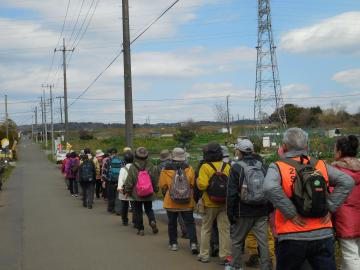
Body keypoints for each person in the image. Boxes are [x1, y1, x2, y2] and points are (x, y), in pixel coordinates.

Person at [263, 127, 354, 270]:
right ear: (306, 145)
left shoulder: (278, 167)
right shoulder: (321, 165)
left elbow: (269, 187)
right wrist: (330, 208)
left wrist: (291, 213)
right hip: (323, 234)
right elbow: (347, 181)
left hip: (291, 234)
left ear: (284, 146)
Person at [227, 139, 272, 270]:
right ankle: (266, 267)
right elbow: (269, 189)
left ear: (239, 151)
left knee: (237, 241)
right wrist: (269, 209)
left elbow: (231, 194)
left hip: (243, 212)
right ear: (252, 150)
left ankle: (235, 266)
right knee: (263, 242)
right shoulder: (263, 166)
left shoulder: (236, 167)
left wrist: (231, 214)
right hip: (262, 211)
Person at [197, 142, 231, 264]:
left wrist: (197, 181)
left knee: (206, 229)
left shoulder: (205, 167)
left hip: (209, 203)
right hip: (224, 203)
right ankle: (225, 257)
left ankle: (204, 255)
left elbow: (202, 185)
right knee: (224, 230)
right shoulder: (227, 166)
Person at [159, 147, 199, 254]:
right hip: (187, 201)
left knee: (172, 223)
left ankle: (173, 244)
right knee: (190, 223)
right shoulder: (189, 168)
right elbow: (192, 184)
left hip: (171, 201)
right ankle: (193, 243)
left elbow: (162, 185)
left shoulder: (166, 168)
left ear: (173, 156)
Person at [332, 135, 360, 270]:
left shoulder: (336, 172)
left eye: (334, 148)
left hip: (346, 220)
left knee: (350, 256)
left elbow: (330, 195)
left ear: (339, 152)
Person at [124, 147, 159, 236]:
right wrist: (156, 189)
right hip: (149, 192)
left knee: (138, 211)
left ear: (136, 155)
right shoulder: (151, 166)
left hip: (137, 193)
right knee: (149, 209)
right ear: (146, 156)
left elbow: (129, 181)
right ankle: (152, 221)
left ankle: (141, 229)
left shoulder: (132, 167)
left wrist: (127, 190)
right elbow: (155, 179)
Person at [102, 148, 123, 213]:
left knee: (111, 195)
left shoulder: (108, 161)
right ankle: (118, 210)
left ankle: (111, 208)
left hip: (110, 181)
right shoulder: (121, 160)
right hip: (119, 181)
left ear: (110, 153)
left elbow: (105, 171)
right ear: (117, 153)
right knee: (118, 195)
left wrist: (104, 181)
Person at [117, 151, 134, 226]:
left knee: (124, 206)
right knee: (135, 206)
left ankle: (124, 220)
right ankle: (135, 220)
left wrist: (119, 187)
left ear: (125, 160)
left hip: (124, 190)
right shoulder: (136, 168)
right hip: (134, 190)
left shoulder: (123, 169)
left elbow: (120, 179)